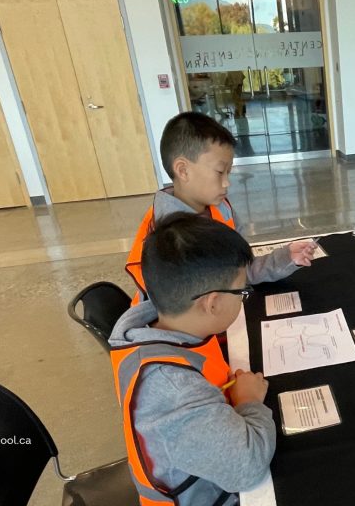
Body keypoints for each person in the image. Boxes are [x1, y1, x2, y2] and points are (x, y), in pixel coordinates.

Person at [109, 212, 274, 505]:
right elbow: (246, 468)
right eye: (241, 292)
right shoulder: (172, 388)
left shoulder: (159, 327)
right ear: (212, 303)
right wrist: (249, 403)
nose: (243, 297)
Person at [125, 112, 317, 305]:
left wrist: (285, 258)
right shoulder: (165, 234)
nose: (227, 183)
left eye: (229, 172)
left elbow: (240, 271)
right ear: (183, 170)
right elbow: (177, 311)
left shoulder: (221, 210)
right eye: (219, 172)